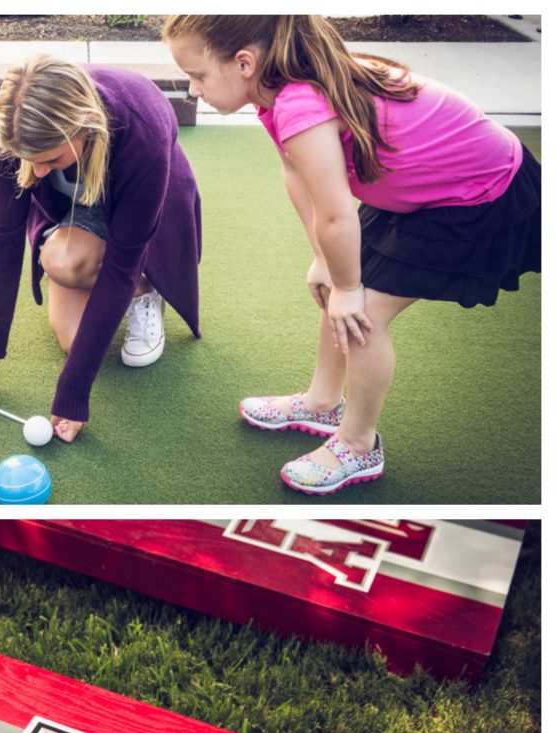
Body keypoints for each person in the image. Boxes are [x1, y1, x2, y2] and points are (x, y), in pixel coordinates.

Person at [164, 15, 540, 494]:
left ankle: (359, 445)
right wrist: (325, 261)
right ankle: (323, 402)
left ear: (244, 63)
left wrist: (347, 286)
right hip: (427, 190)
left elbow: (339, 213)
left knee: (362, 313)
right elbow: (299, 176)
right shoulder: (273, 93)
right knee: (341, 288)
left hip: (478, 192)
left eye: (197, 76)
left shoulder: (301, 102)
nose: (193, 91)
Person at [0, 54, 202, 443]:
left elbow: (122, 263)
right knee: (75, 332)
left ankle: (147, 289)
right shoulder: (13, 129)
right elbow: (3, 233)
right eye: (29, 161)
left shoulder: (142, 131)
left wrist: (73, 391)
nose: (38, 173)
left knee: (113, 291)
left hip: (144, 208)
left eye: (50, 159)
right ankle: (89, 265)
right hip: (76, 209)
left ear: (85, 126)